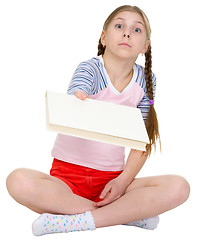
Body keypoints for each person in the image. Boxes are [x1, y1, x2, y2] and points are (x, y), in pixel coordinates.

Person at [6, 5, 190, 236]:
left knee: (179, 187)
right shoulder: (91, 68)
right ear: (104, 37)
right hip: (67, 181)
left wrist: (122, 183)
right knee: (18, 181)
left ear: (145, 46)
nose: (126, 33)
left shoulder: (145, 80)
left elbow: (140, 143)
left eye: (136, 30)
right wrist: (79, 97)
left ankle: (78, 220)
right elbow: (79, 90)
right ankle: (123, 216)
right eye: (119, 26)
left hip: (113, 183)